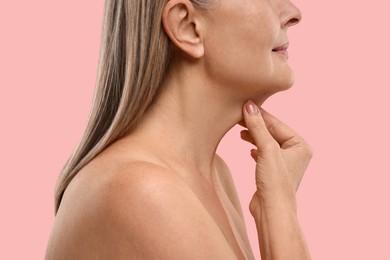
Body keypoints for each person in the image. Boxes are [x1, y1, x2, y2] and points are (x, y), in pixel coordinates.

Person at [45, 0, 312, 259]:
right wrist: (280, 210)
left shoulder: (214, 175)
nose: (293, 13)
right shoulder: (144, 191)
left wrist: (275, 206)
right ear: (187, 26)